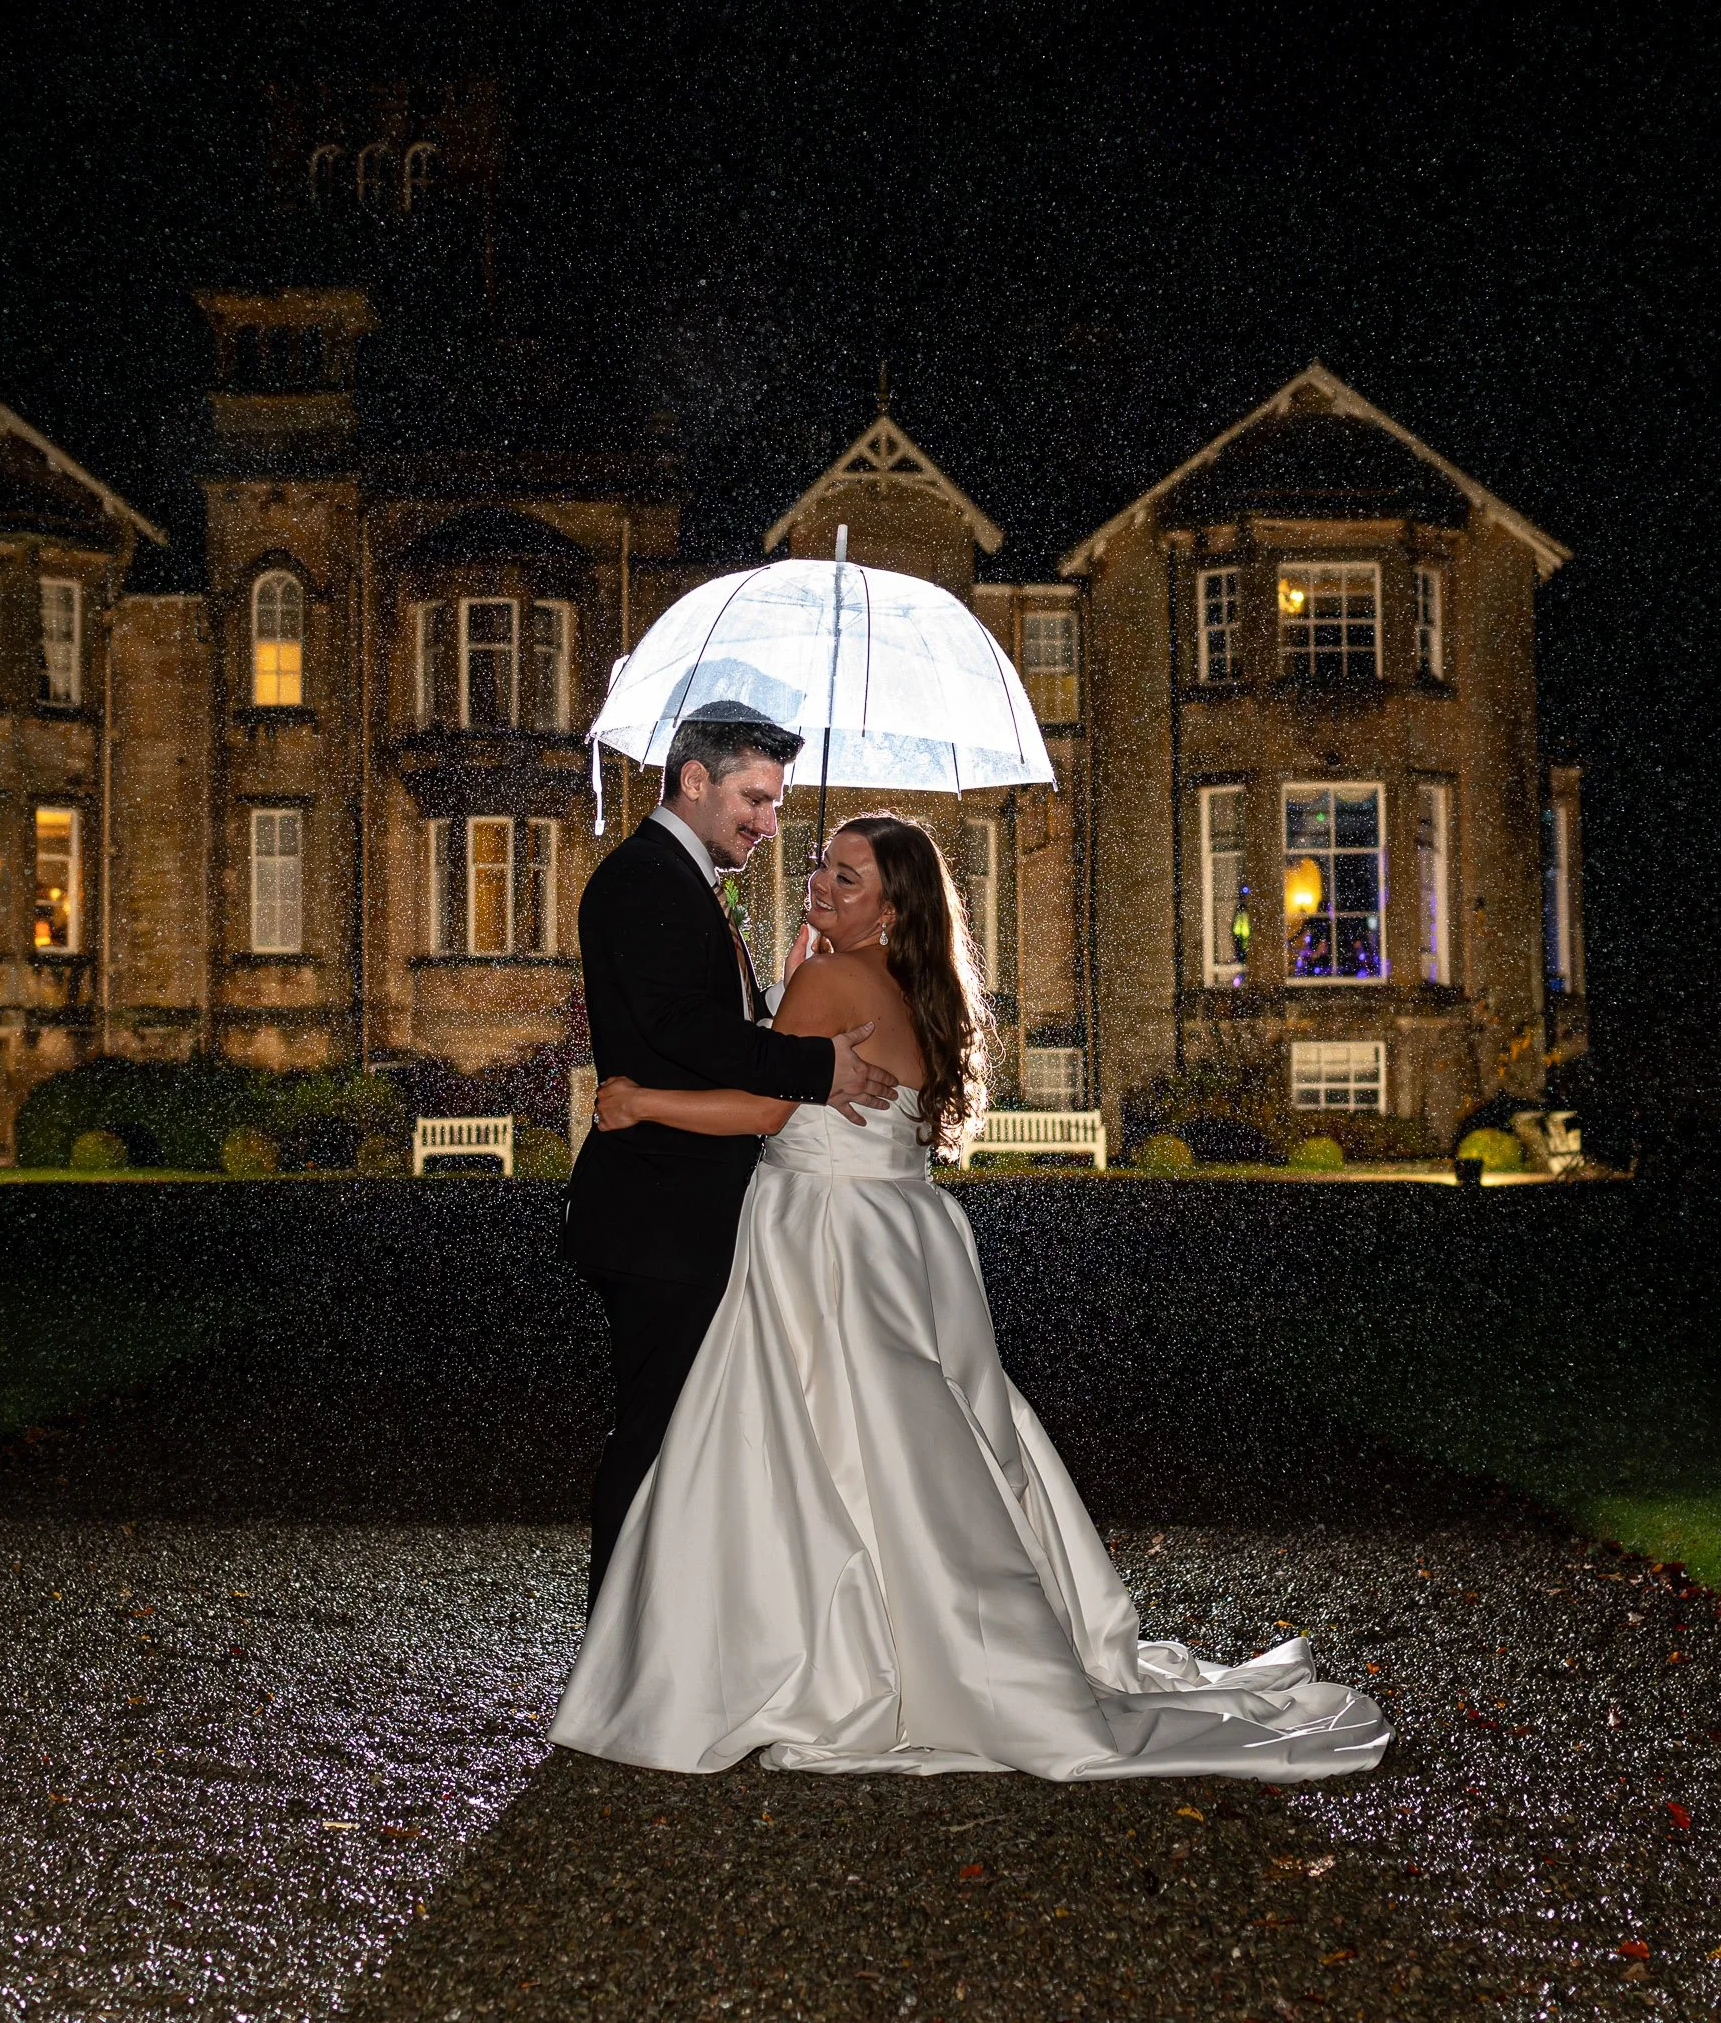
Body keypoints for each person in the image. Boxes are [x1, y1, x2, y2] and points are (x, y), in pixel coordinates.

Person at [553, 812, 1391, 1780]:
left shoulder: (827, 982)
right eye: (823, 864)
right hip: (905, 1235)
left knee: (821, 1441)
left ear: (891, 907)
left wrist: (639, 1102)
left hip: (823, 1235)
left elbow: (766, 1110)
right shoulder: (920, 987)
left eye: (848, 877)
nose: (819, 880)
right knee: (911, 1440)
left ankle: (813, 1653)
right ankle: (917, 1638)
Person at [563, 702, 899, 1612]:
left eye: (778, 803)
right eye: (755, 798)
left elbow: (711, 1023)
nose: (769, 822)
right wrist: (815, 1064)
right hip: (661, 1214)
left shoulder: (682, 880)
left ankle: (668, 1632)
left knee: (689, 1437)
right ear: (694, 780)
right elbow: (680, 1028)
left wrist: (786, 998)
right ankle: (622, 1645)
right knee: (657, 1437)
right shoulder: (644, 879)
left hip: (687, 1208)